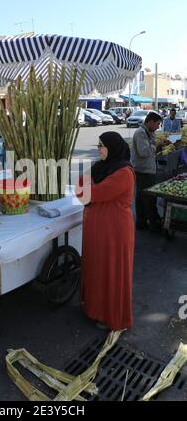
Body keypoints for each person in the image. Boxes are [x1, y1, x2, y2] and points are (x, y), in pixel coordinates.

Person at [75, 132, 135, 331]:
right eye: (98, 145)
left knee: (111, 273)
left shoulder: (123, 172)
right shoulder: (101, 167)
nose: (98, 149)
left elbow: (89, 193)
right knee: (96, 270)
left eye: (101, 145)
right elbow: (80, 190)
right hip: (97, 230)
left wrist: (88, 188)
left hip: (114, 233)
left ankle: (113, 318)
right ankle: (94, 310)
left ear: (113, 147)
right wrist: (87, 189)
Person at [131, 112, 164, 231]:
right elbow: (143, 152)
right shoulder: (140, 133)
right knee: (147, 198)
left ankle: (142, 222)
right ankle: (150, 222)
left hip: (147, 169)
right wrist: (156, 145)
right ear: (151, 122)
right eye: (157, 124)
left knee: (142, 197)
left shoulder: (149, 132)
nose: (158, 127)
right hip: (143, 170)